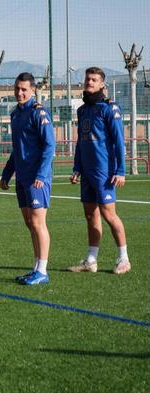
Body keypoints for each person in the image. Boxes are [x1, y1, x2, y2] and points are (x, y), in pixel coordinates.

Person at [68, 67, 130, 274]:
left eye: (94, 79)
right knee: (90, 214)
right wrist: (77, 167)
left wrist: (120, 170)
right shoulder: (83, 110)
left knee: (109, 214)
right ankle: (91, 261)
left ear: (102, 84)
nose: (89, 82)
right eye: (87, 79)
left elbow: (119, 142)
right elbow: (81, 142)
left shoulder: (109, 108)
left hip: (104, 171)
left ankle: (124, 259)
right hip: (86, 171)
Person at [0, 72, 56, 285]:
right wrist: (7, 174)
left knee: (38, 223)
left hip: (36, 179)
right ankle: (36, 268)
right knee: (30, 223)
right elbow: (17, 149)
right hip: (21, 178)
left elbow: (50, 144)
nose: (20, 93)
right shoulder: (15, 115)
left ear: (32, 90)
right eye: (17, 89)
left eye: (24, 89)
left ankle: (42, 271)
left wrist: (41, 174)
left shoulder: (39, 113)